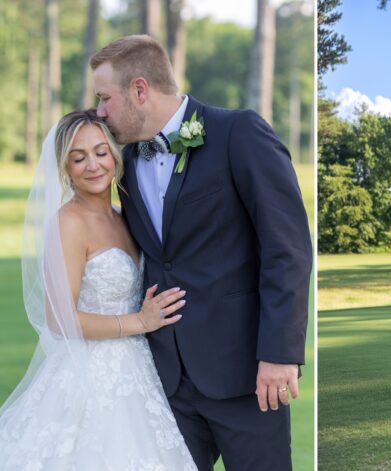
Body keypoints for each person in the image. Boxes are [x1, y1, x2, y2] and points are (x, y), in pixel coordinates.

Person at [90, 35, 312, 469]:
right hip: (165, 383)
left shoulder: (238, 132)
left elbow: (287, 248)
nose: (100, 111)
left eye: (104, 98)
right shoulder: (127, 162)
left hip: (248, 375)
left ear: (140, 90)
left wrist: (281, 353)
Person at [0, 110, 197, 469]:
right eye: (78, 158)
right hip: (91, 378)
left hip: (141, 369)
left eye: (101, 152)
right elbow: (60, 319)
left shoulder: (124, 214)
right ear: (64, 167)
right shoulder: (68, 223)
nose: (93, 165)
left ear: (115, 156)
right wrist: (139, 322)